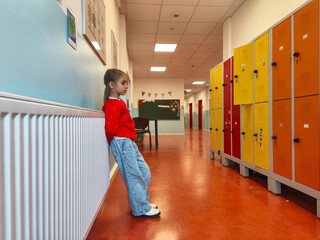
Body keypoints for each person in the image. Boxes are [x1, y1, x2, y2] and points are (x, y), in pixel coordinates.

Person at [102, 68, 160, 219]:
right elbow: (110, 128)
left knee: (144, 171)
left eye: (127, 83)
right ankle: (140, 208)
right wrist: (113, 142)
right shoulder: (112, 104)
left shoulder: (119, 102)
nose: (126, 86)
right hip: (122, 142)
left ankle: (142, 201)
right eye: (123, 83)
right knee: (134, 175)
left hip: (129, 142)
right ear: (111, 84)